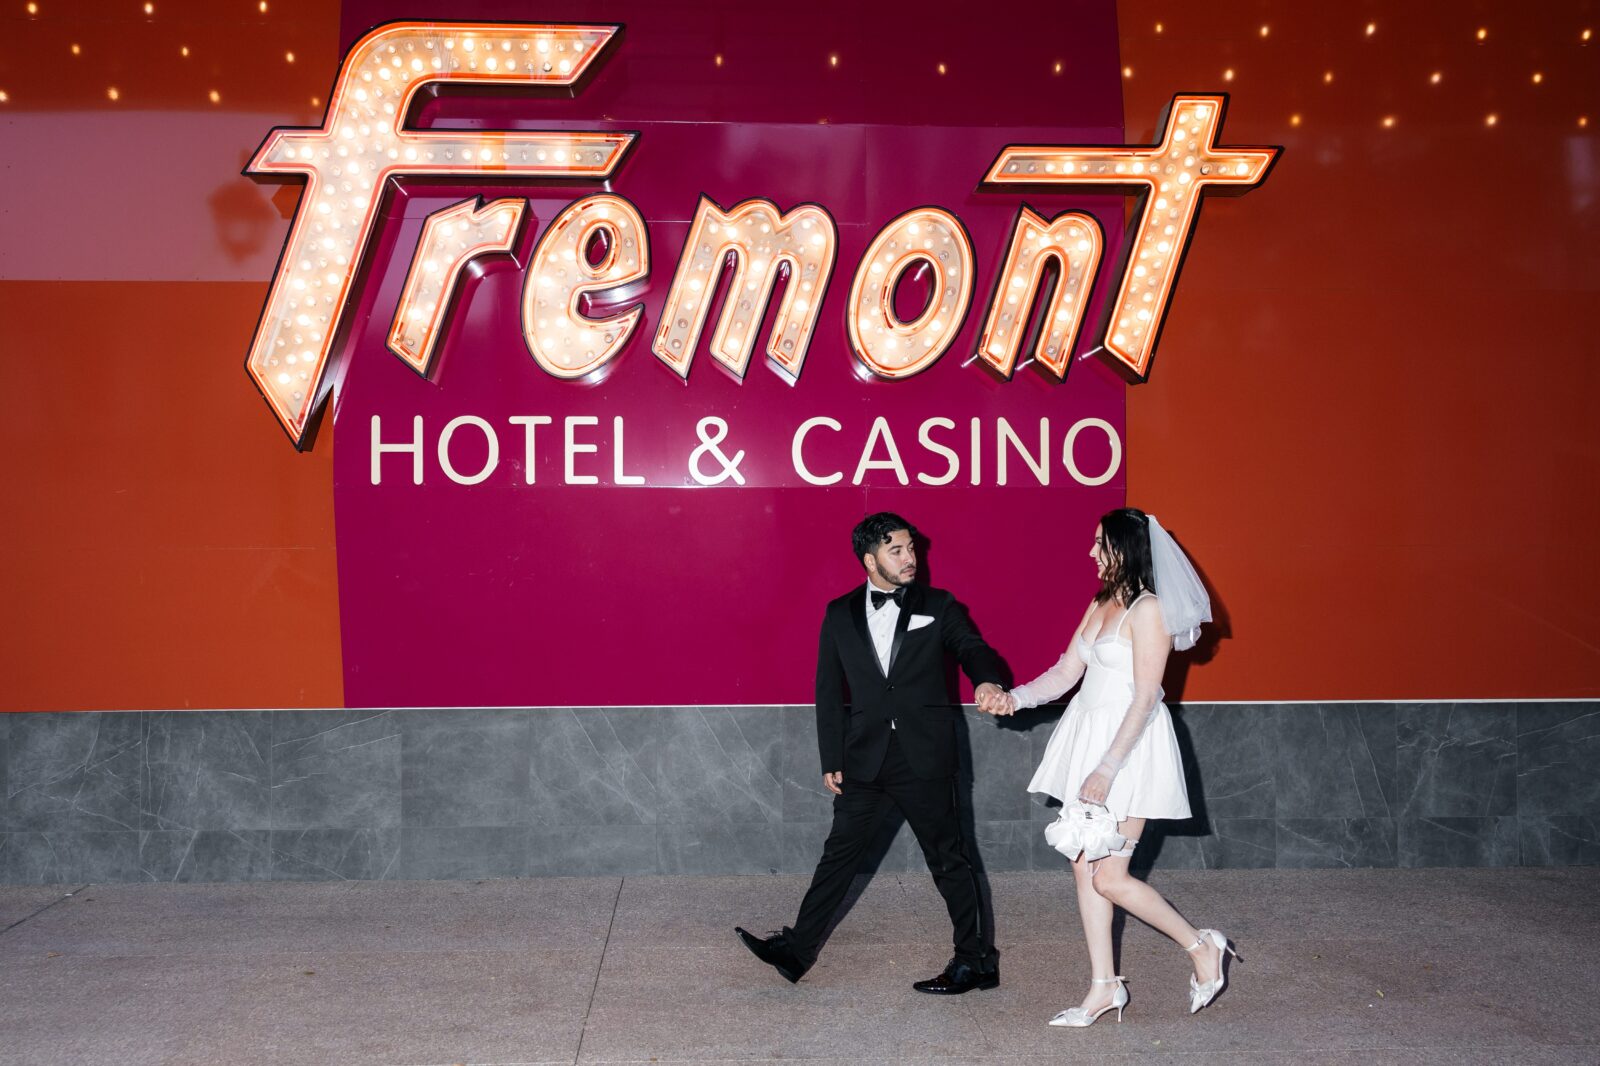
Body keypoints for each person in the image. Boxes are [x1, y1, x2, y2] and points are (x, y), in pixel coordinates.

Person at [978, 507, 1237, 1025]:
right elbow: (1065, 673)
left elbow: (1145, 697)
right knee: (1083, 866)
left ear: (1126, 547)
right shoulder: (1101, 602)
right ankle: (1103, 988)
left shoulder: (1150, 610)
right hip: (1088, 736)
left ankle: (1201, 945)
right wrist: (1014, 698)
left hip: (1128, 748)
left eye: (1101, 543)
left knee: (1110, 878)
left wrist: (1107, 768)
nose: (1091, 552)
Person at [737, 512, 1007, 994]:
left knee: (948, 860)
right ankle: (797, 951)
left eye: (911, 548)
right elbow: (827, 689)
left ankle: (976, 961)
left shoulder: (939, 605)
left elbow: (971, 647)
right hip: (865, 757)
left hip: (924, 756)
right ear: (870, 559)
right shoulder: (838, 613)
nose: (910, 559)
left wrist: (986, 677)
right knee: (838, 856)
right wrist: (830, 756)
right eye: (897, 551)